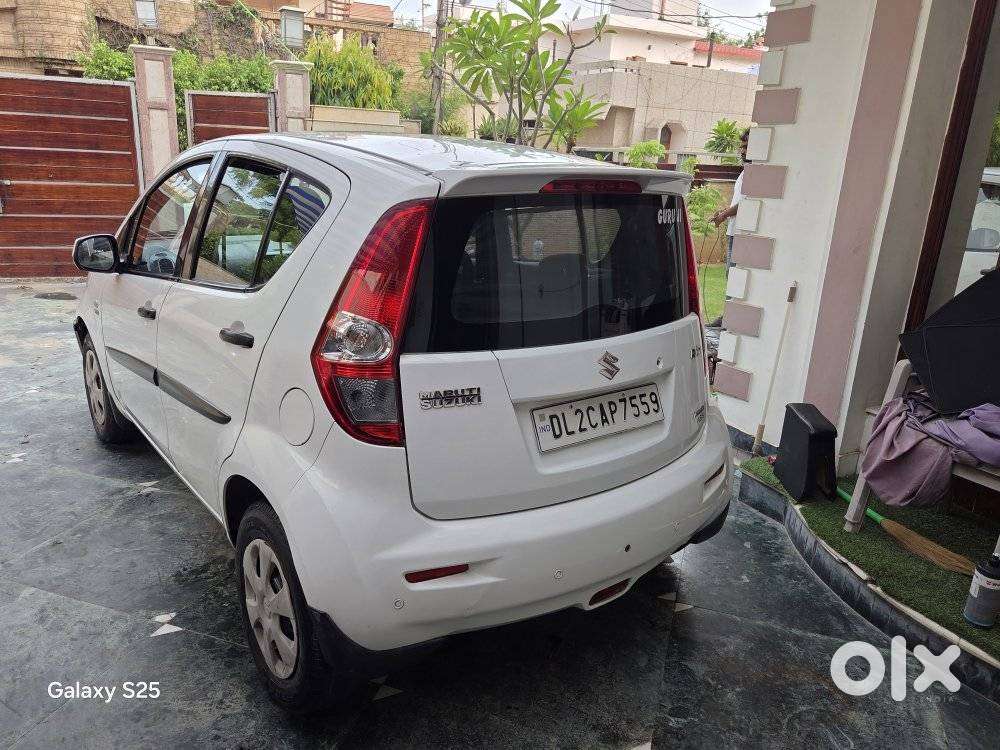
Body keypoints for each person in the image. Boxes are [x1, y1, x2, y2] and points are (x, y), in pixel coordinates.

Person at [710, 128, 751, 275]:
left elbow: (747, 204)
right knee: (731, 276)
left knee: (734, 277)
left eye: (746, 147)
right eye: (742, 147)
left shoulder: (755, 173)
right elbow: (740, 201)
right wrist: (725, 212)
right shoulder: (745, 171)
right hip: (734, 231)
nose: (742, 151)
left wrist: (723, 215)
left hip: (742, 233)